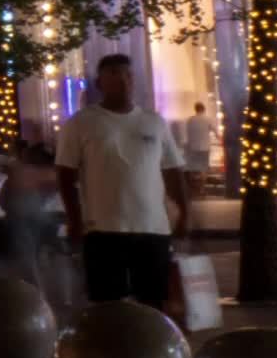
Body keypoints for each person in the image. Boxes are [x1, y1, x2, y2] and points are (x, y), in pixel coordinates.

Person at [55, 53, 189, 307]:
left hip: (152, 228)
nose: (123, 81)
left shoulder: (154, 122)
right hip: (103, 229)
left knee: (153, 302)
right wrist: (74, 219)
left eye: (127, 74)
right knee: (108, 304)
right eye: (114, 74)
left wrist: (184, 213)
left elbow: (173, 170)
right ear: (100, 83)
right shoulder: (81, 123)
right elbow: (65, 174)